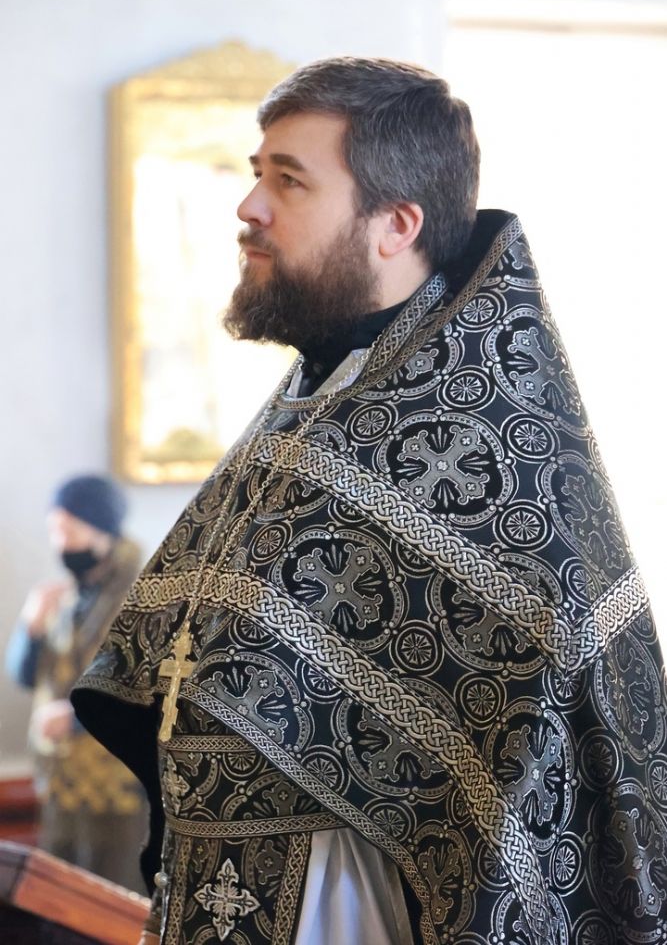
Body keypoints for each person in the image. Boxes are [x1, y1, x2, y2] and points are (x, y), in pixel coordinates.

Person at [72, 58, 667, 944]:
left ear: (395, 225)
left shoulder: (483, 446)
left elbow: (540, 761)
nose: (249, 207)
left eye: (289, 180)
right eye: (256, 173)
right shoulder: (319, 396)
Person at [6, 474, 148, 892]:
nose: (60, 542)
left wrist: (74, 719)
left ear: (102, 529)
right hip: (62, 784)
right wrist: (31, 628)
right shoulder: (65, 595)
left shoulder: (141, 596)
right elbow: (24, 675)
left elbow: (146, 689)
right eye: (54, 530)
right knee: (60, 902)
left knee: (116, 902)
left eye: (69, 530)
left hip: (119, 787)